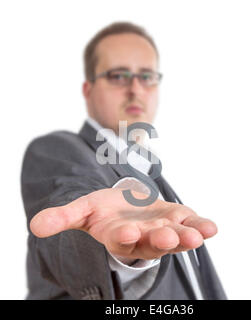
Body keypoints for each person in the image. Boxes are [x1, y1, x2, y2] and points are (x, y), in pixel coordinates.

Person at [21, 21, 227, 300]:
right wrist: (117, 249)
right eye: (118, 76)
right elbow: (70, 207)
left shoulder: (155, 180)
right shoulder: (59, 149)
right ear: (88, 89)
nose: (135, 89)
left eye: (147, 76)